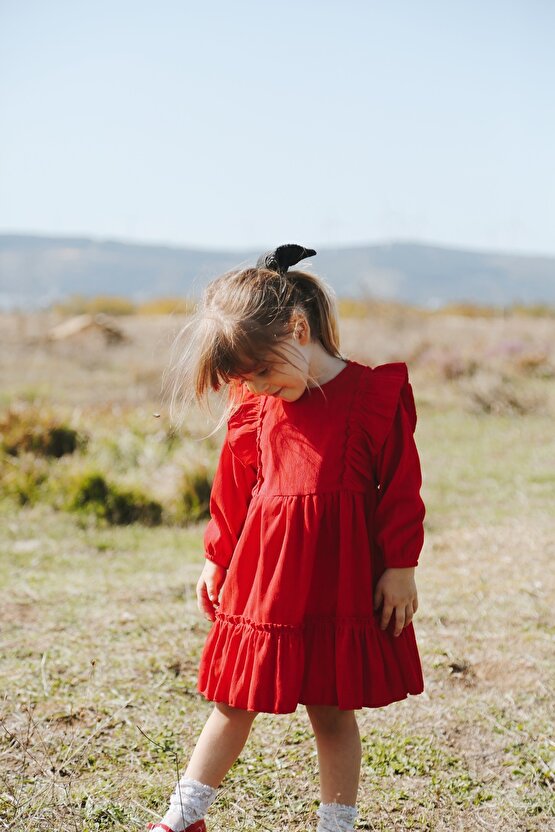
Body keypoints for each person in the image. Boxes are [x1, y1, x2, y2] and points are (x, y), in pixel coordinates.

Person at [149, 244, 426, 832]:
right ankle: (182, 819)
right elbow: (232, 489)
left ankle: (336, 825)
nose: (259, 387)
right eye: (246, 379)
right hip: (265, 575)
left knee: (331, 711)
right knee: (235, 698)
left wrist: (400, 565)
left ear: (299, 330)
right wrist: (216, 558)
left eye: (264, 371)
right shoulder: (254, 404)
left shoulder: (375, 396)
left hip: (339, 577)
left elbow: (402, 485)